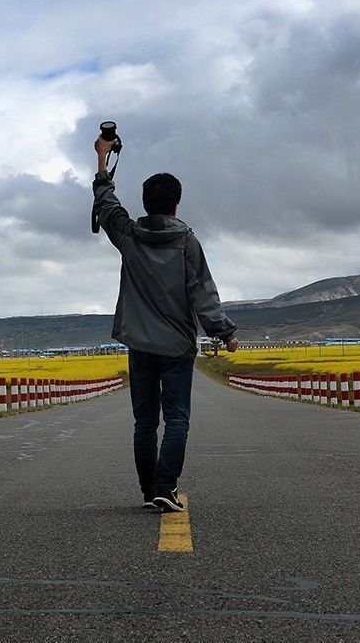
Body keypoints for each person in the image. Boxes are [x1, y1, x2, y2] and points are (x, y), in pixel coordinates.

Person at [93, 134, 237, 513]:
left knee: (144, 423)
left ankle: (148, 490)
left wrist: (102, 160)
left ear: (145, 203)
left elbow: (106, 205)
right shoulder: (187, 242)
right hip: (176, 348)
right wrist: (224, 333)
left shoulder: (129, 235)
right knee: (176, 419)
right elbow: (202, 293)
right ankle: (164, 486)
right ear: (176, 203)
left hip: (139, 345)